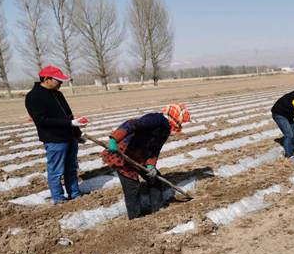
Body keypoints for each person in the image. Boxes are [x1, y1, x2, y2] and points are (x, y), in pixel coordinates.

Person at [102, 103, 190, 220]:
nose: (181, 124)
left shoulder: (166, 130)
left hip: (140, 156)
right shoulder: (156, 119)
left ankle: (157, 210)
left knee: (155, 179)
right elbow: (131, 124)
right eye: (181, 121)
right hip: (123, 153)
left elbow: (155, 149)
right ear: (175, 118)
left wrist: (151, 166)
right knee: (132, 187)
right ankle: (136, 218)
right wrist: (114, 139)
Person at [25, 65, 89, 204]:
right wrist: (70, 124)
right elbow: (42, 121)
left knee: (71, 168)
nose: (60, 83)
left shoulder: (58, 94)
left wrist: (76, 131)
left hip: (69, 137)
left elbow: (68, 115)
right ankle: (59, 198)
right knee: (56, 170)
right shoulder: (33, 97)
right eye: (58, 80)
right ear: (47, 79)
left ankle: (75, 193)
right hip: (54, 139)